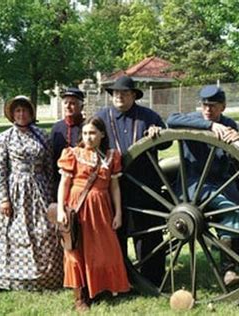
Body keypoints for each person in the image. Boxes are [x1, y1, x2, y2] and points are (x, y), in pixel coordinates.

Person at [0, 96, 63, 291]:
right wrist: (3, 198)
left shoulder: (42, 136)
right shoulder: (4, 138)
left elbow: (48, 167)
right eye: (18, 111)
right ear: (12, 114)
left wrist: (52, 194)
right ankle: (7, 275)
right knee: (12, 233)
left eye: (25, 111)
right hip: (15, 193)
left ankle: (46, 276)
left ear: (31, 113)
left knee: (43, 232)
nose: (21, 114)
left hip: (40, 190)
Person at [167, 85, 239, 286]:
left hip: (220, 182)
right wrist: (209, 126)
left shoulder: (228, 123)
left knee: (238, 213)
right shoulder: (193, 119)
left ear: (223, 107)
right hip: (192, 184)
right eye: (205, 105)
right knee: (230, 210)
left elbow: (234, 149)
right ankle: (229, 268)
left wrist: (237, 138)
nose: (208, 110)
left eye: (213, 106)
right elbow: (171, 120)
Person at [96, 75, 169, 285]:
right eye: (116, 93)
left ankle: (152, 277)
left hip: (146, 184)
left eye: (125, 93)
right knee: (116, 231)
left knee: (148, 231)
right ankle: (120, 277)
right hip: (114, 184)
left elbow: (166, 143)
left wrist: (158, 133)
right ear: (112, 96)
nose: (120, 97)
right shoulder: (102, 117)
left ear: (133, 96)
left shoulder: (149, 116)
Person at [57, 116, 130, 311]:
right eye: (85, 133)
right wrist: (61, 210)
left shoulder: (111, 156)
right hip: (78, 207)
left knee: (103, 249)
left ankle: (102, 287)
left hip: (102, 209)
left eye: (93, 133)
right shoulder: (73, 153)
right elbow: (64, 183)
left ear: (102, 134)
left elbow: (115, 187)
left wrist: (118, 213)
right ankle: (80, 296)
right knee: (76, 249)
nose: (88, 137)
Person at [50, 87, 85, 200]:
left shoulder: (86, 127)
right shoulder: (57, 128)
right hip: (59, 181)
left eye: (72, 103)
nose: (68, 106)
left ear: (81, 107)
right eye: (65, 103)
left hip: (80, 182)